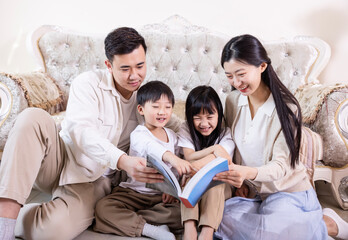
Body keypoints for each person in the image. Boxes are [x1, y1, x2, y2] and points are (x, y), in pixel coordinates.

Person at [0, 27, 165, 240]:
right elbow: (82, 132)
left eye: (140, 66)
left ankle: (17, 217)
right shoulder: (87, 83)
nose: (135, 75)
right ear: (109, 65)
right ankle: (5, 224)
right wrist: (123, 161)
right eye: (125, 68)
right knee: (31, 118)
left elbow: (177, 126)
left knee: (51, 231)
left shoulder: (147, 99)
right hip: (59, 159)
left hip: (94, 181)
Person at [213, 34, 348, 240]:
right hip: (254, 194)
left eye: (241, 73)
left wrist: (246, 173)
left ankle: (327, 224)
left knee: (267, 234)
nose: (236, 82)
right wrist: (238, 183)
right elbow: (229, 144)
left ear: (262, 66)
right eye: (229, 76)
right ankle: (305, 226)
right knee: (216, 219)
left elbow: (281, 167)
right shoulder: (232, 101)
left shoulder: (286, 109)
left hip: (287, 192)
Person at [94, 80, 192, 240]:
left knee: (184, 213)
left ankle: (130, 220)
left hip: (161, 198)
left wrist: (173, 191)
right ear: (141, 109)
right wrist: (172, 158)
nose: (162, 112)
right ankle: (150, 230)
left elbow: (176, 169)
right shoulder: (139, 134)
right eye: (156, 107)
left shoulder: (172, 136)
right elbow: (151, 148)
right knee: (103, 208)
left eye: (167, 107)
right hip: (134, 193)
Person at [177, 86, 235, 240]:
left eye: (210, 116)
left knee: (214, 178)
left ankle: (207, 233)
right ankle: (189, 230)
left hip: (221, 186)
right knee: (191, 177)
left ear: (219, 115)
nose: (204, 123)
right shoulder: (185, 129)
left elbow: (221, 160)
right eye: (197, 117)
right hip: (192, 182)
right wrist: (214, 149)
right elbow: (189, 157)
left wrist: (195, 166)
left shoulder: (225, 133)